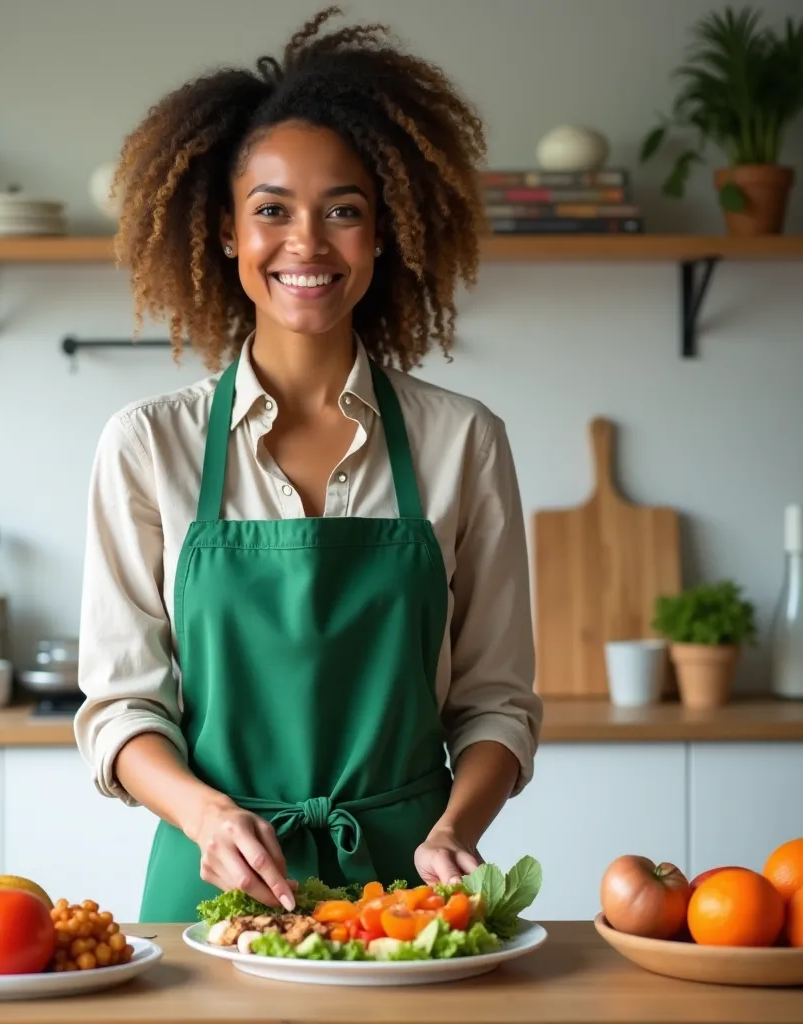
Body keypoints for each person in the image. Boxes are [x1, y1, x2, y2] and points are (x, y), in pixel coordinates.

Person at [74, 5, 542, 924]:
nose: (307, 245)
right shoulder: (146, 444)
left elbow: (497, 705)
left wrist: (455, 826)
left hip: (405, 898)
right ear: (223, 231)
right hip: (209, 892)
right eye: (272, 211)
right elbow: (120, 712)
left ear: (385, 231)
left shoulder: (464, 442)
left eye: (344, 211)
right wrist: (206, 815)